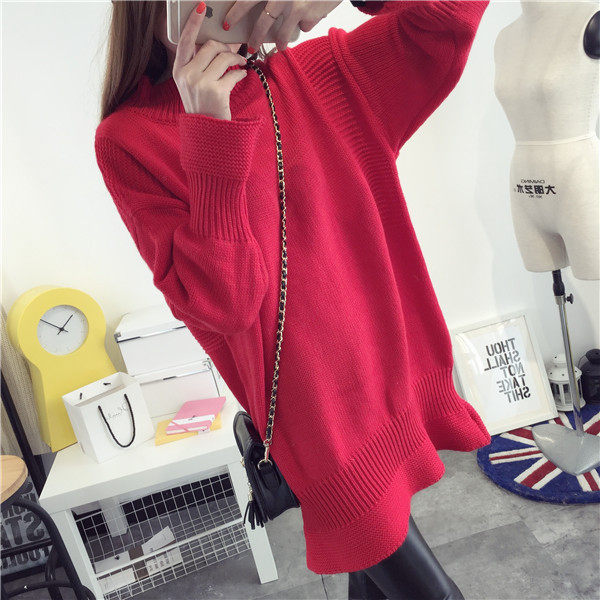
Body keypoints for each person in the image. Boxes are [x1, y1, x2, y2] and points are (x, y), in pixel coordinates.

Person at [95, 1, 492, 597]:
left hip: (391, 380)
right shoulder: (130, 139)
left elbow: (451, 18)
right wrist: (212, 132)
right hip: (322, 430)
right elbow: (226, 304)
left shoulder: (318, 77)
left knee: (373, 577)